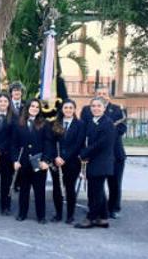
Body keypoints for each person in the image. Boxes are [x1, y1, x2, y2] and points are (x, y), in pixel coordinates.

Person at [79, 88, 126, 219]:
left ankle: (113, 208)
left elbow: (122, 129)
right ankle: (97, 208)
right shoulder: (87, 110)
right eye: (99, 94)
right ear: (95, 95)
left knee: (115, 183)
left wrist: (105, 133)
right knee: (95, 184)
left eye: (104, 94)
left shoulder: (117, 110)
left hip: (115, 154)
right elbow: (83, 128)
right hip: (94, 154)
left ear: (109, 96)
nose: (102, 96)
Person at [75, 97, 115, 229]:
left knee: (94, 192)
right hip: (93, 162)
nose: (96, 108)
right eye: (93, 106)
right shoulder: (92, 121)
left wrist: (84, 153)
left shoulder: (107, 123)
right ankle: (103, 218)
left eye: (99, 106)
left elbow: (100, 144)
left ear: (104, 108)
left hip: (101, 163)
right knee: (98, 191)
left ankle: (91, 218)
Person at [13, 99, 52, 223]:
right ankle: (22, 214)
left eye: (37, 107)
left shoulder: (45, 124)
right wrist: (15, 160)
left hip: (39, 162)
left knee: (39, 190)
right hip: (23, 162)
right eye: (32, 106)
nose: (34, 108)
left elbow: (48, 144)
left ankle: (41, 216)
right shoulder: (19, 123)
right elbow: (13, 144)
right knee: (24, 189)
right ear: (27, 107)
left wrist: (46, 160)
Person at [51, 99, 84, 224]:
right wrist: (56, 157)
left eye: (71, 108)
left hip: (72, 162)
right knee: (57, 188)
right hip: (56, 162)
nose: (68, 110)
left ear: (74, 109)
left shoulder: (80, 124)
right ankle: (58, 214)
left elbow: (78, 144)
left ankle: (70, 215)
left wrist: (65, 158)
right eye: (66, 108)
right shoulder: (55, 123)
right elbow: (51, 142)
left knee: (70, 188)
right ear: (62, 109)